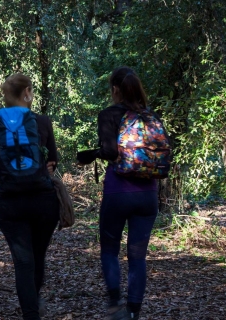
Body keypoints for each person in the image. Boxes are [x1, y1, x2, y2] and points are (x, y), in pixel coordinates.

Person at [0, 74, 59, 320]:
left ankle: (31, 314)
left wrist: (12, 181)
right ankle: (33, 304)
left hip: (11, 203)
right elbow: (53, 160)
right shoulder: (42, 122)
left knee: (23, 263)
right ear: (27, 92)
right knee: (37, 257)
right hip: (44, 202)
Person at [94, 67, 161, 320]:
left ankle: (114, 304)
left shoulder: (109, 115)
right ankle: (133, 311)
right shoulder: (150, 116)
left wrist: (93, 154)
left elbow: (110, 153)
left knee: (110, 250)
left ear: (115, 89)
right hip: (147, 196)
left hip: (118, 192)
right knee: (137, 257)